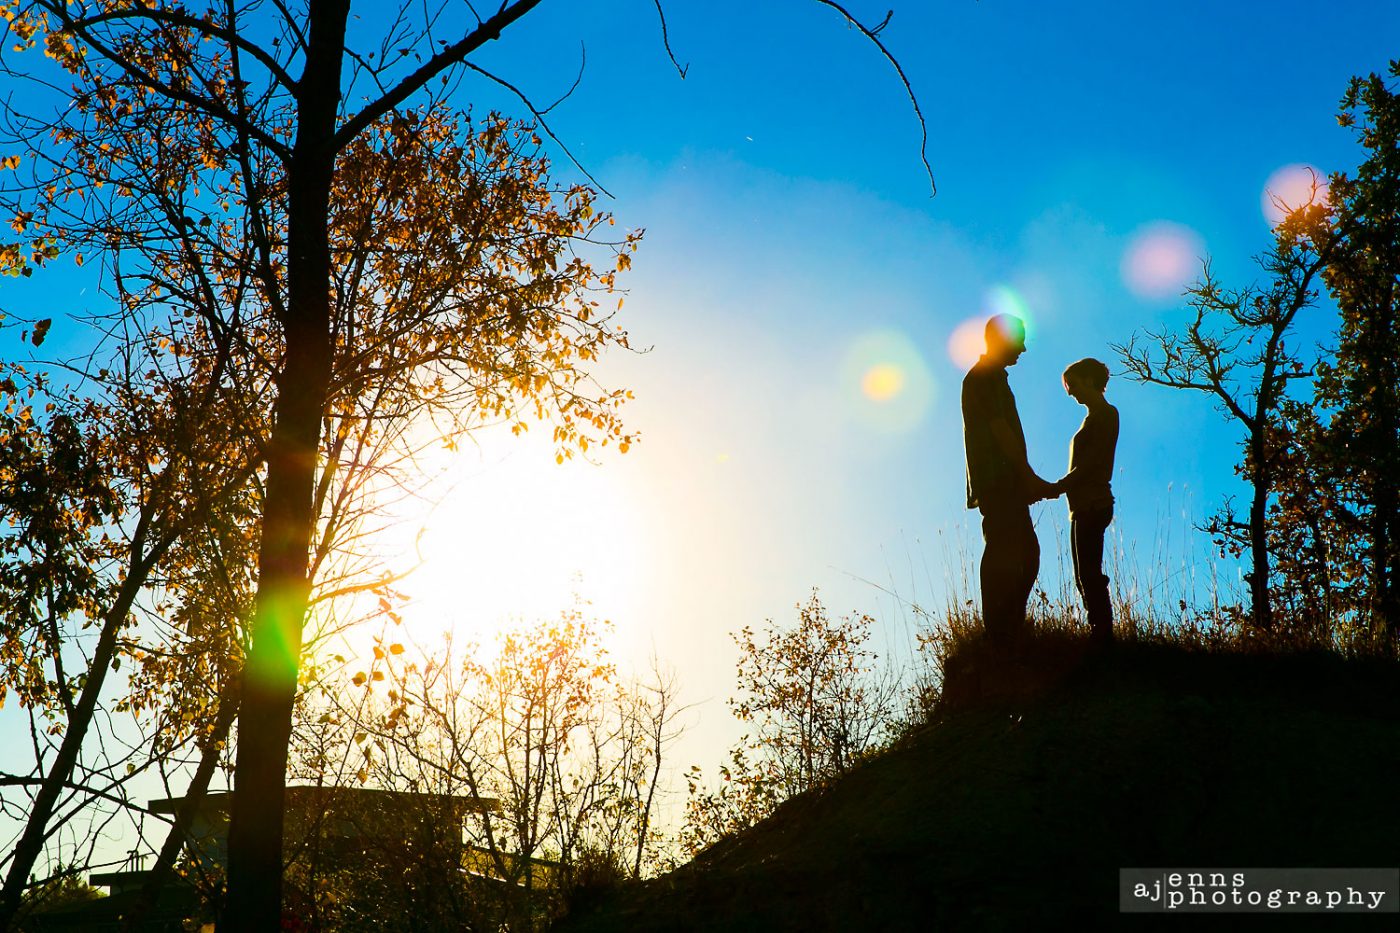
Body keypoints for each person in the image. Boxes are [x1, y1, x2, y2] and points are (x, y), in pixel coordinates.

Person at [961, 314, 1056, 645]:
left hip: (1005, 481)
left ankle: (1008, 628)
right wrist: (1027, 475)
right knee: (1009, 550)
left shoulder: (992, 379)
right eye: (1019, 341)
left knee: (1025, 553)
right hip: (998, 481)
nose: (1024, 348)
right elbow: (1001, 430)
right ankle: (1001, 634)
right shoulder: (984, 378)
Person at [1051, 358, 1119, 645]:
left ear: (1090, 381)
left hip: (1092, 503)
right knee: (1085, 575)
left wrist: (1057, 486)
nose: (1070, 392)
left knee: (1088, 575)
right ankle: (1100, 634)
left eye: (1073, 384)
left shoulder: (1105, 414)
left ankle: (1102, 637)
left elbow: (1090, 464)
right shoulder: (1095, 417)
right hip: (1084, 505)